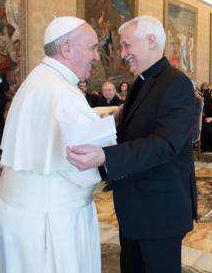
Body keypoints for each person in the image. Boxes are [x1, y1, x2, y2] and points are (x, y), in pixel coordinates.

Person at [66, 15, 197, 273]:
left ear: (151, 41)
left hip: (161, 211)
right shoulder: (141, 82)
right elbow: (126, 126)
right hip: (135, 207)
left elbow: (164, 144)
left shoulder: (177, 83)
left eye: (127, 46)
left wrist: (106, 157)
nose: (122, 53)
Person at [0, 16, 103, 272]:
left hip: (17, 215)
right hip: (50, 224)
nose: (97, 56)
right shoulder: (64, 94)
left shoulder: (36, 80)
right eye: (93, 48)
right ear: (67, 49)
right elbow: (87, 168)